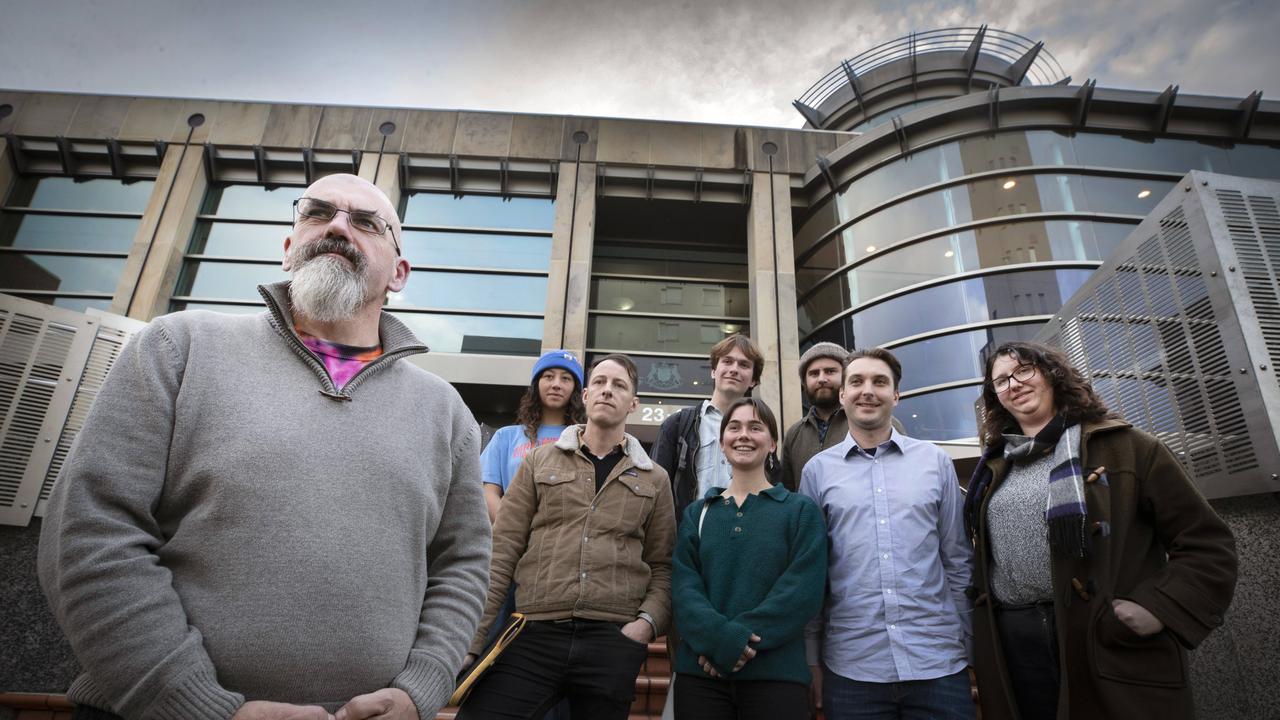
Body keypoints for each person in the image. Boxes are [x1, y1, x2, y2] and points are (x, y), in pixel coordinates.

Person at [37, 173, 491, 720]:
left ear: (399, 273)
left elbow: (463, 564)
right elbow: (89, 533)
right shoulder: (177, 347)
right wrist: (200, 707)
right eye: (317, 213)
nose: (339, 227)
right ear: (288, 249)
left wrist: (422, 688)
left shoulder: (446, 413)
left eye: (367, 222)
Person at [964, 341, 1237, 720]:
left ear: (1053, 375)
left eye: (1024, 370)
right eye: (1001, 381)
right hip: (1014, 644)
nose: (1014, 384)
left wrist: (1158, 607)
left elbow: (1208, 544)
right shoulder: (994, 466)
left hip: (1100, 637)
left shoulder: (1129, 447)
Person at [458, 354, 677, 720]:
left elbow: (663, 565)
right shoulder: (539, 462)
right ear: (587, 395)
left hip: (612, 640)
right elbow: (503, 552)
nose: (609, 390)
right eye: (602, 383)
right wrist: (473, 641)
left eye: (619, 385)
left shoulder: (654, 478)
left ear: (634, 404)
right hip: (535, 630)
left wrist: (643, 627)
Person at [800, 348, 974, 720]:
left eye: (880, 382)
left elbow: (957, 560)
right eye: (857, 382)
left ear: (896, 395)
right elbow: (812, 574)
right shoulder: (817, 472)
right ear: (843, 394)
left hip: (938, 662)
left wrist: (969, 644)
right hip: (852, 669)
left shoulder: (935, 462)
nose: (868, 391)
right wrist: (812, 657)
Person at [671, 398, 826, 720]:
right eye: (734, 427)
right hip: (701, 679)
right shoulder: (698, 513)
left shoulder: (799, 511)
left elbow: (802, 592)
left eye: (755, 427)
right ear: (723, 443)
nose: (744, 435)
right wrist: (719, 641)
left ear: (772, 443)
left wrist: (728, 644)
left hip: (776, 677)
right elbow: (684, 589)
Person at [652, 334, 782, 524]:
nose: (734, 369)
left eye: (744, 365)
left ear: (753, 380)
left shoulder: (762, 431)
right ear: (714, 370)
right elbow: (656, 489)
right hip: (690, 537)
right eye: (727, 361)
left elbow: (774, 484)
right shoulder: (678, 425)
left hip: (747, 534)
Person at [481, 349, 586, 523]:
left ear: (576, 389)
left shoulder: (584, 438)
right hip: (511, 541)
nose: (556, 384)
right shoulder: (505, 437)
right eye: (549, 376)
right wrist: (513, 531)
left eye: (566, 378)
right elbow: (489, 493)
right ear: (537, 384)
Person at [781, 342, 849, 493]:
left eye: (830, 371)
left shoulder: (869, 423)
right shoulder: (794, 434)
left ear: (847, 377)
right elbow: (788, 493)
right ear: (804, 383)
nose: (821, 379)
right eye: (814, 373)